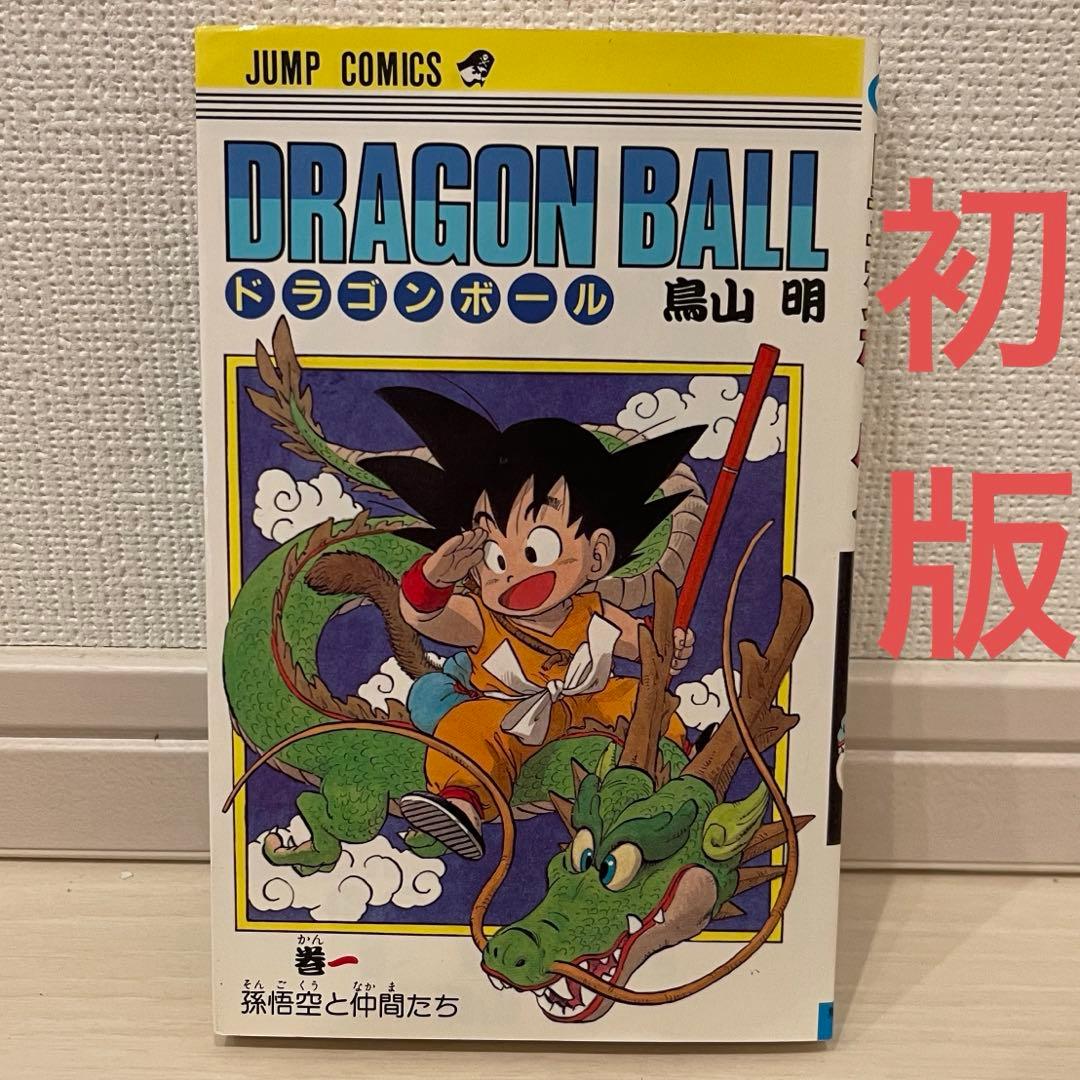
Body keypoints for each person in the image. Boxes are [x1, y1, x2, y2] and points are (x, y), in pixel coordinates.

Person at [362, 388, 701, 859]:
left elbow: (643, 644)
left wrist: (667, 648)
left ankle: (683, 764)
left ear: (598, 554)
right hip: (508, 714)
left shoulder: (593, 611)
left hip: (589, 703)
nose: (513, 572)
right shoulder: (481, 617)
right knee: (466, 725)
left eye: (538, 548)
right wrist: (435, 577)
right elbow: (424, 614)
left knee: (640, 697)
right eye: (495, 556)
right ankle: (462, 803)